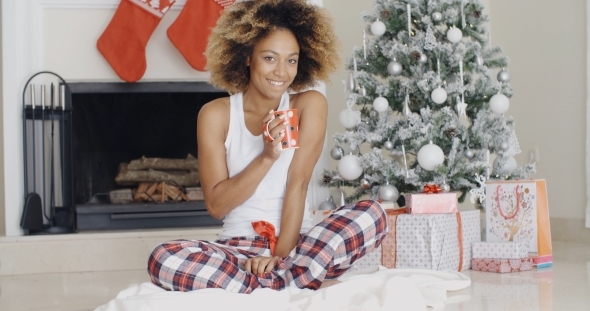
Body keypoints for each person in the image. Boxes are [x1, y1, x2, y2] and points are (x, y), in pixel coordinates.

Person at [147, 0, 387, 293]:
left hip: (298, 245)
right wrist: (267, 155)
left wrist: (278, 257)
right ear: (247, 57)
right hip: (236, 252)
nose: (282, 72)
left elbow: (297, 185)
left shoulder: (308, 105)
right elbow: (217, 205)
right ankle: (294, 282)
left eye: (291, 60)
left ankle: (267, 282)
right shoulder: (216, 115)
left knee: (372, 214)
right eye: (270, 58)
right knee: (163, 259)